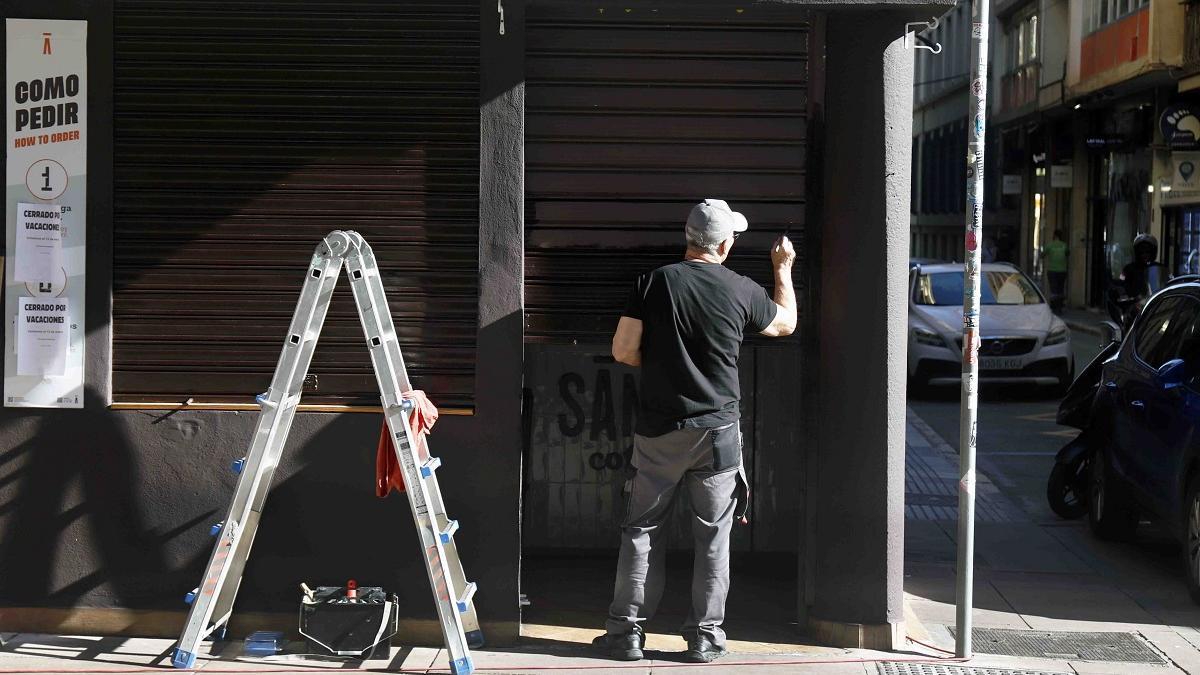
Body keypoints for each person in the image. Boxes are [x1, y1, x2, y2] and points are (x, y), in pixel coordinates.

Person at [594, 199, 797, 664]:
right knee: (713, 537)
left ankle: (626, 635)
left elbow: (624, 352)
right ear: (725, 244)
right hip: (717, 434)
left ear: (689, 239)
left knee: (641, 531)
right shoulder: (742, 289)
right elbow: (785, 324)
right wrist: (782, 268)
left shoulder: (653, 282)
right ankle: (705, 638)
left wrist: (666, 365)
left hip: (659, 432)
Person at [1042, 229, 1068, 312]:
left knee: (1053, 289)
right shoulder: (1064, 245)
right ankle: (1059, 306)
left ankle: (1054, 307)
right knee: (1060, 288)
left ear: (1055, 236)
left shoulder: (1050, 245)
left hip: (1052, 270)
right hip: (1062, 270)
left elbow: (1042, 255)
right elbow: (1068, 253)